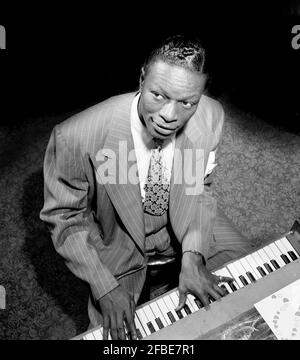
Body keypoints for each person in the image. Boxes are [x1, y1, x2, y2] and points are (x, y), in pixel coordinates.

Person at [40, 34, 253, 340]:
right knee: (113, 339)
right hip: (120, 242)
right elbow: (64, 218)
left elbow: (200, 188)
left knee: (250, 283)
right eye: (159, 95)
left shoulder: (210, 116)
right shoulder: (75, 136)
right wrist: (105, 288)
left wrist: (194, 254)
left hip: (185, 217)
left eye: (187, 102)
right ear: (141, 78)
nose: (170, 115)